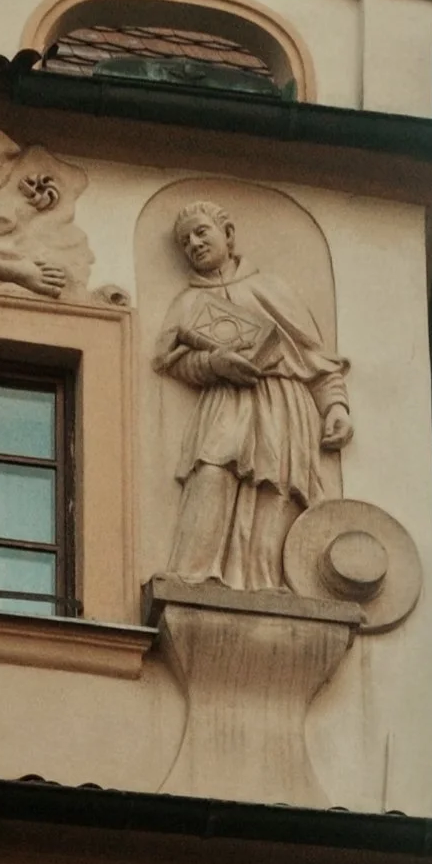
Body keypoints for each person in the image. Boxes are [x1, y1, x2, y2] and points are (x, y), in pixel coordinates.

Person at [155, 200, 351, 588]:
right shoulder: (187, 303)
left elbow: (313, 357)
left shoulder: (271, 288)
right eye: (185, 241)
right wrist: (213, 363)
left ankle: (266, 583)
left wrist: (335, 406)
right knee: (212, 472)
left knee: (276, 485)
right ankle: (193, 575)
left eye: (201, 233)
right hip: (226, 399)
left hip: (283, 400)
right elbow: (171, 360)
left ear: (227, 235)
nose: (194, 244)